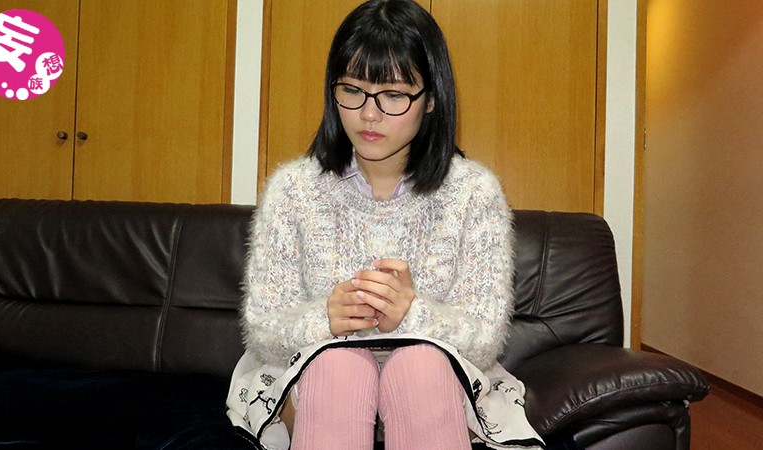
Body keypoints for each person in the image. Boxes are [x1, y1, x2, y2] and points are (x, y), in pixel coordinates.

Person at [226, 1, 543, 449]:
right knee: (339, 366)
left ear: (431, 98)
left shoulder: (474, 193)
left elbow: (485, 338)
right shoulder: (293, 190)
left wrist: (411, 315)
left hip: (436, 384)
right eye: (352, 90)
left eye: (394, 95)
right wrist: (325, 318)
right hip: (312, 380)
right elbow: (263, 329)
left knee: (420, 366)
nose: (369, 114)